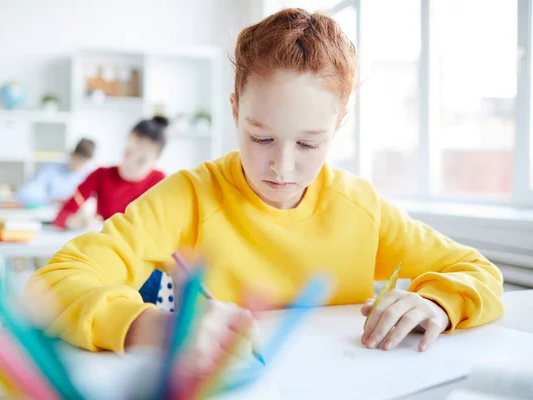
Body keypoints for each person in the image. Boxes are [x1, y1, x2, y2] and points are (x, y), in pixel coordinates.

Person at [29, 8, 503, 373]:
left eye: (309, 143)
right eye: (261, 137)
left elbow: (476, 270)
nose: (283, 165)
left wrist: (439, 301)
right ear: (235, 110)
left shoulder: (360, 208)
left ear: (338, 123)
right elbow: (53, 282)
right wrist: (153, 327)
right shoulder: (190, 197)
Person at [52, 115, 170, 307]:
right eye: (127, 152)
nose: (130, 163)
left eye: (141, 160)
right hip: (106, 260)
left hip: (144, 267)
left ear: (155, 160)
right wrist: (74, 221)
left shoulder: (161, 182)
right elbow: (61, 215)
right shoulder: (101, 175)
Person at [16, 138, 96, 207]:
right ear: (71, 154)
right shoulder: (50, 170)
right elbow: (24, 195)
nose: (79, 165)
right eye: (78, 160)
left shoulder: (89, 176)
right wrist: (53, 200)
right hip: (48, 218)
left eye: (84, 162)